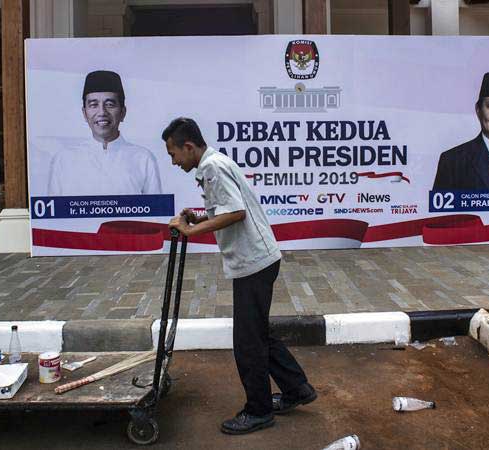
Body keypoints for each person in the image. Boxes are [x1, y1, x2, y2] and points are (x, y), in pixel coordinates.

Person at [164, 117, 316, 435]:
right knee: (257, 334)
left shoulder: (213, 167)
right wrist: (201, 215)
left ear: (188, 147)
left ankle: (259, 411)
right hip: (258, 260)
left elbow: (236, 213)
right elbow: (227, 207)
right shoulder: (213, 163)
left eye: (174, 153)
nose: (174, 161)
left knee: (247, 342)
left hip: (254, 262)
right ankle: (297, 389)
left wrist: (191, 229)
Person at [47, 70, 162, 196]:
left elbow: (156, 214)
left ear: (123, 112)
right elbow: (54, 214)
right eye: (93, 105)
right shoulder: (64, 160)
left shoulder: (143, 159)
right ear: (84, 113)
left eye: (110, 104)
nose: (102, 112)